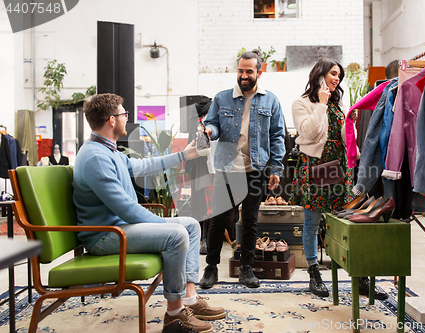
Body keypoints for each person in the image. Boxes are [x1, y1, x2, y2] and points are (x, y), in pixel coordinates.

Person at [73, 93, 225, 333]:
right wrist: (164, 225)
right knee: (176, 234)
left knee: (191, 226)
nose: (127, 118)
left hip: (121, 228)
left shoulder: (108, 151)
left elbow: (143, 165)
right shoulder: (95, 158)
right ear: (111, 120)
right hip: (105, 236)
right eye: (124, 114)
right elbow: (127, 210)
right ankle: (174, 315)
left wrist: (186, 154)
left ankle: (189, 298)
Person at [289, 58, 387, 300]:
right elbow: (310, 133)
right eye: (333, 73)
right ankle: (314, 273)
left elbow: (343, 138)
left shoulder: (338, 103)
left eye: (339, 76)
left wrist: (350, 124)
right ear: (320, 73)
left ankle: (359, 276)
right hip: (316, 167)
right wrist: (321, 104)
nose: (337, 79)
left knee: (346, 220)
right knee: (312, 223)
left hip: (339, 167)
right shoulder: (301, 103)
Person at [199, 49, 286, 289]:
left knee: (250, 221)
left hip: (255, 169)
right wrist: (209, 131)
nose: (244, 75)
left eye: (249, 71)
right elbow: (213, 124)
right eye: (240, 70)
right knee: (217, 220)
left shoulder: (271, 101)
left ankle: (246, 268)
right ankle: (211, 268)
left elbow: (277, 136)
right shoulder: (222, 98)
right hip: (227, 167)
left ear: (260, 72)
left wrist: (276, 169)